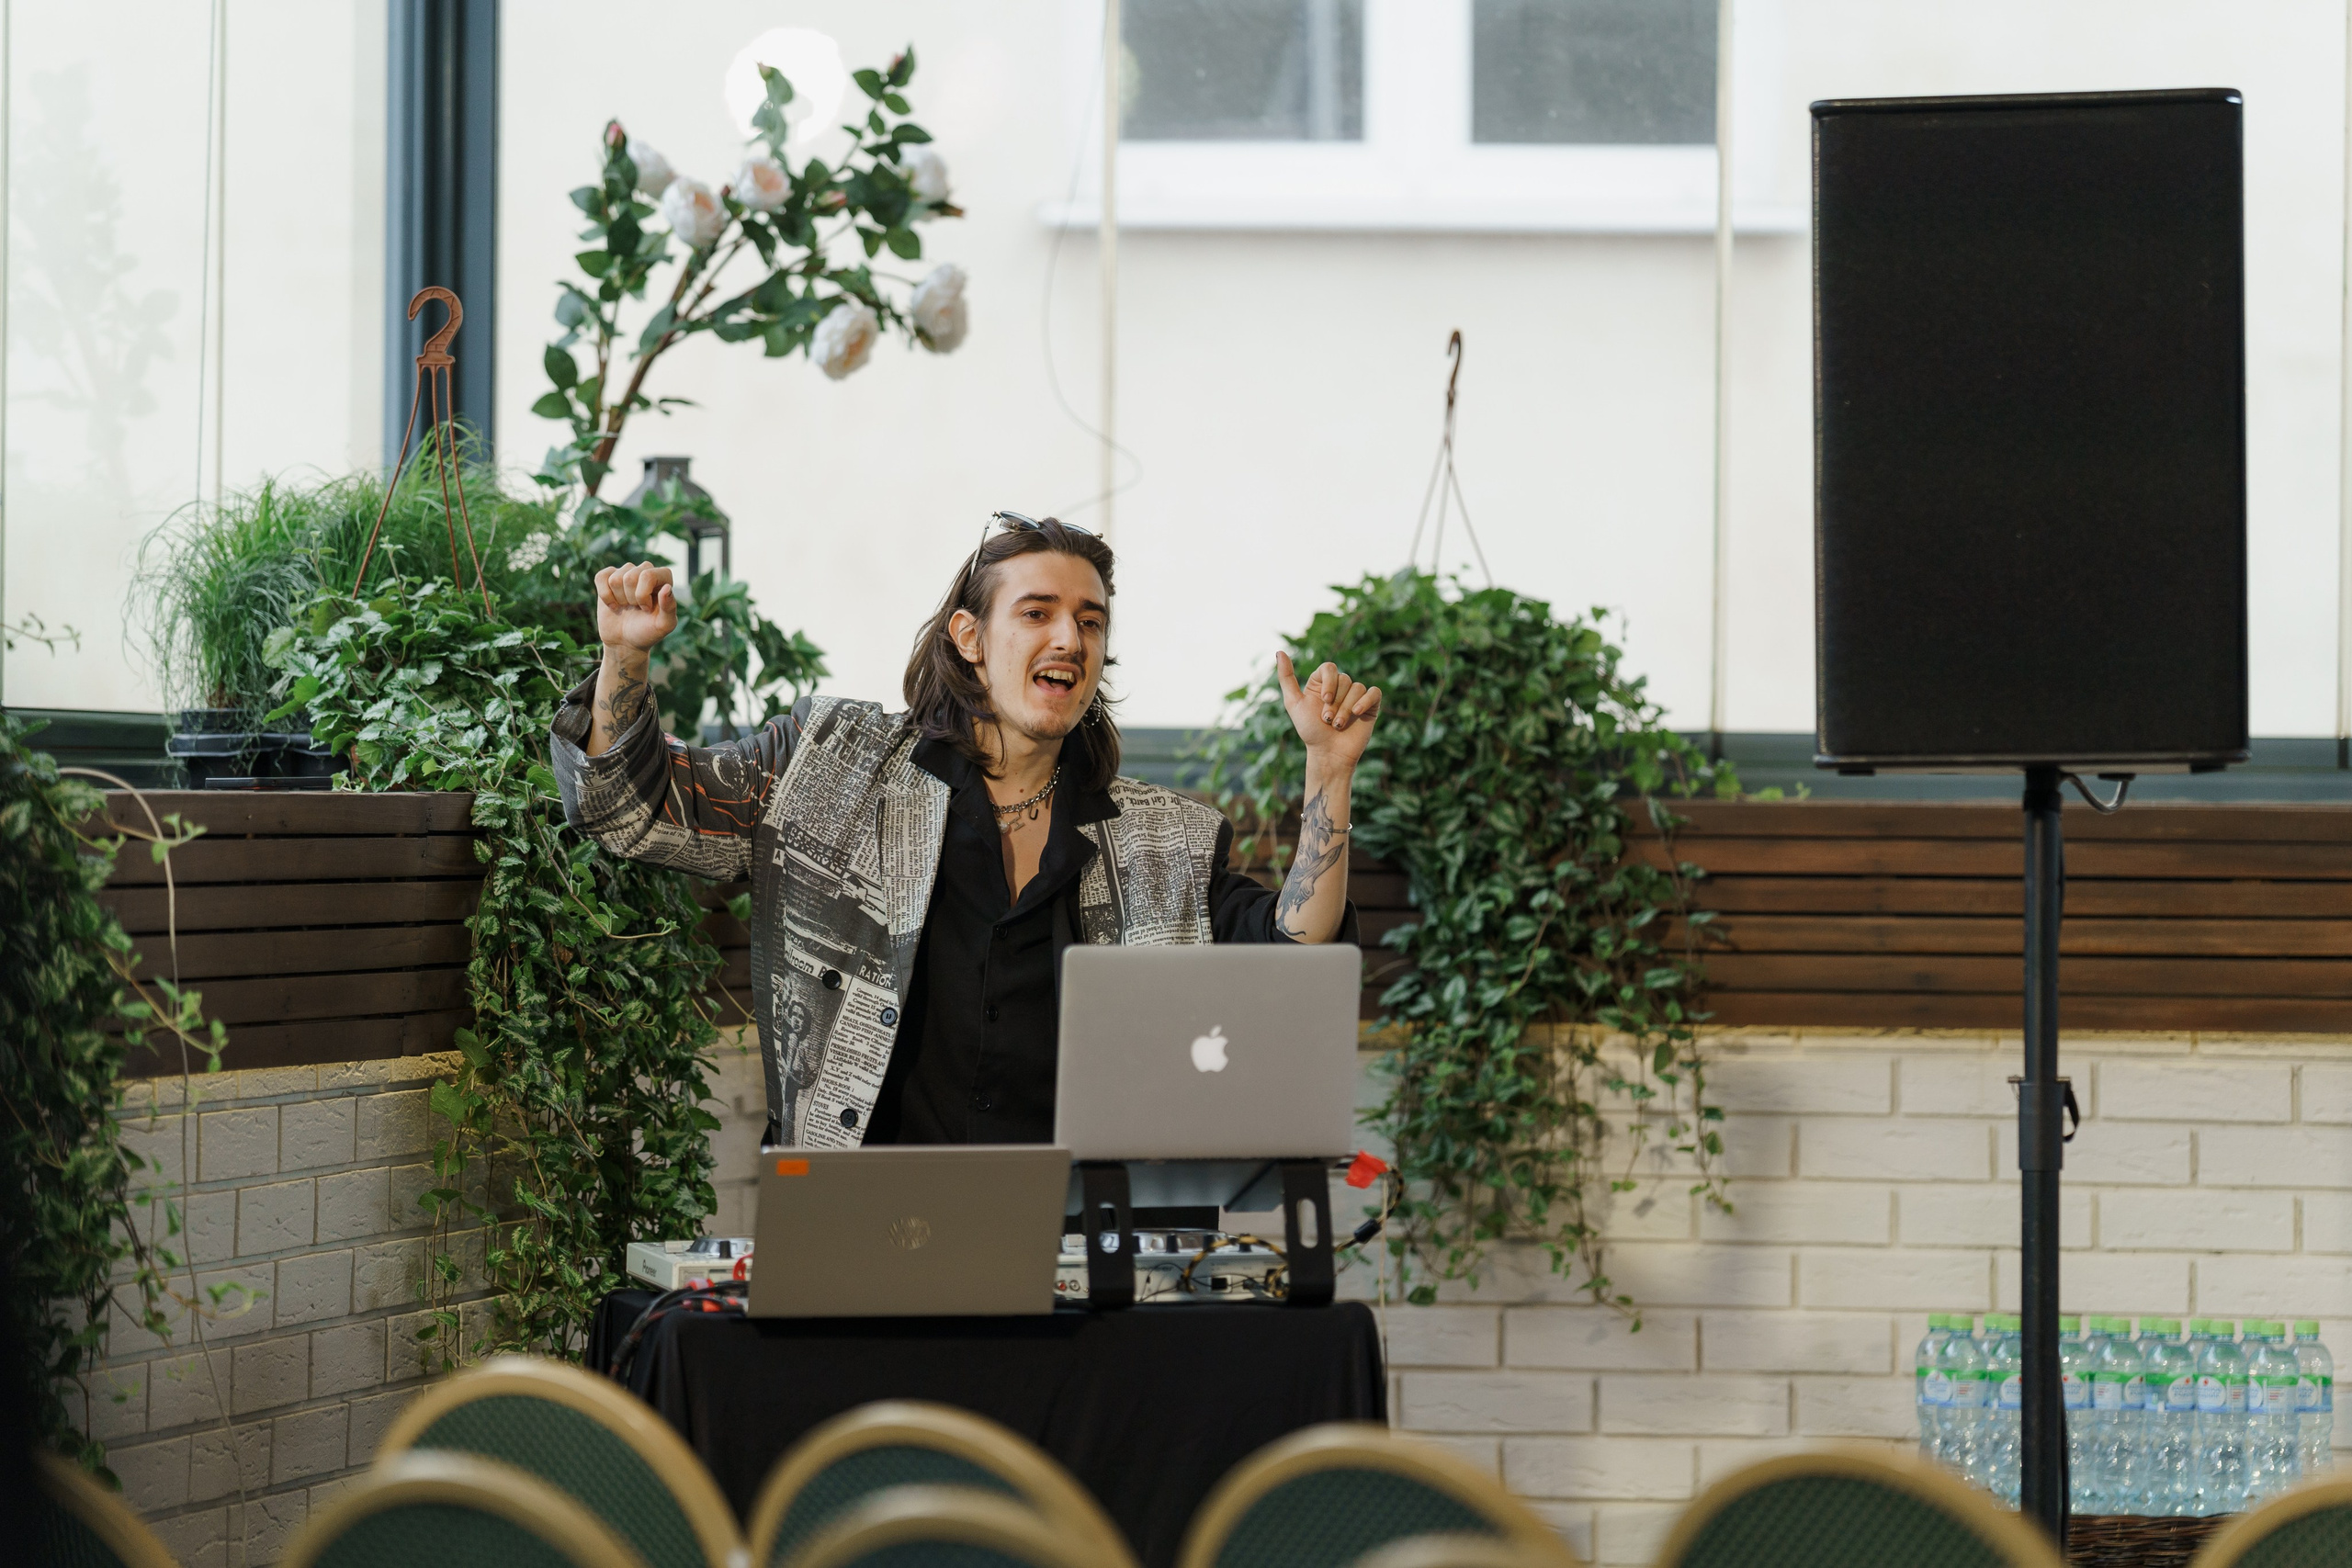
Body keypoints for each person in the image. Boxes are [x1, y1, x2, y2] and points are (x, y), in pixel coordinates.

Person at [551, 513, 1382, 1148]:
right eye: (1039, 612)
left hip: (1073, 1254)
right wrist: (624, 658)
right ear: (971, 638)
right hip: (864, 1234)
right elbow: (630, 813)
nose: (1070, 637)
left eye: (1091, 621)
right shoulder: (832, 767)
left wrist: (1329, 772)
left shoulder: (1161, 838)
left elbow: (1298, 959)